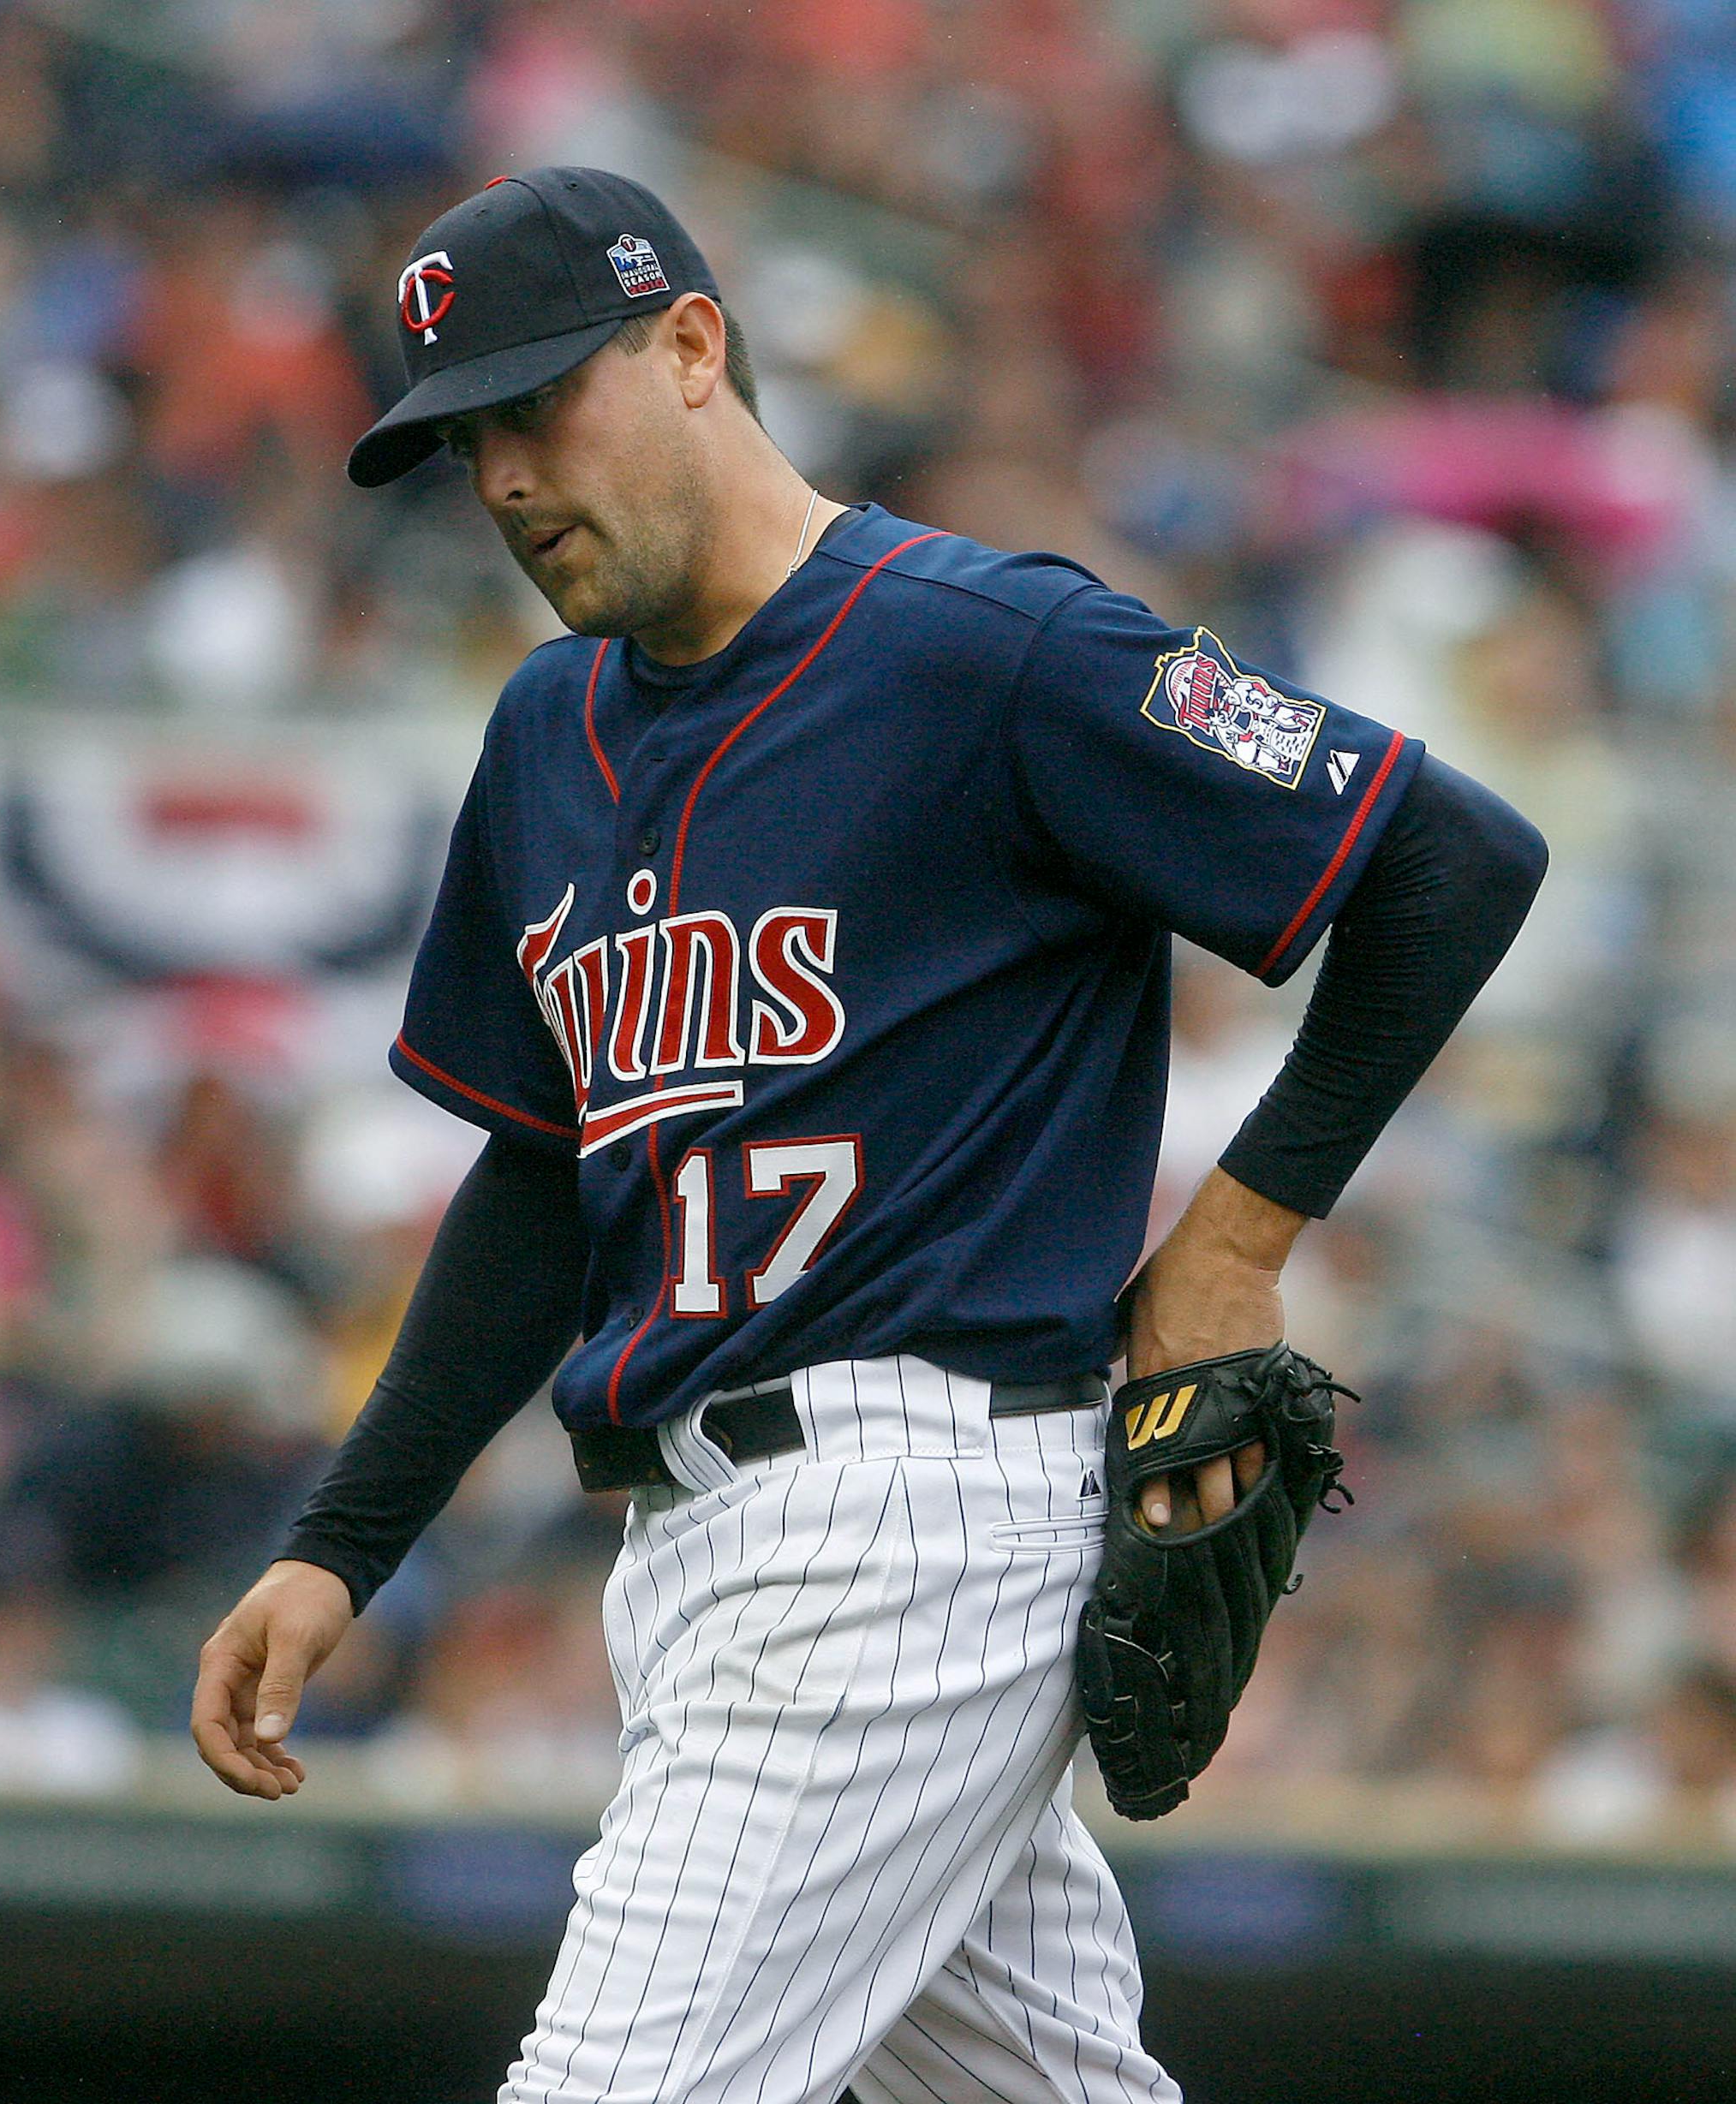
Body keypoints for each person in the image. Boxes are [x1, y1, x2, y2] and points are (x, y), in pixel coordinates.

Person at [192, 168, 1547, 2104]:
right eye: (462, 437)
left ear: (689, 347)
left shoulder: (992, 647)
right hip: (697, 1542)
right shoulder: (542, 735)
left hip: (903, 1523)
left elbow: (1447, 857)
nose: (498, 478)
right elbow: (537, 1177)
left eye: (534, 405)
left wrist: (1237, 1237)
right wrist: (341, 1547)